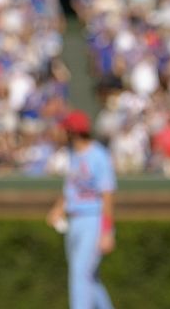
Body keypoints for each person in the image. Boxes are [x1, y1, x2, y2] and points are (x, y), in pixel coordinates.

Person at [47, 109, 116, 309]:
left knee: (80, 274)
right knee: (89, 279)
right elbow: (70, 188)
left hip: (92, 219)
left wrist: (106, 231)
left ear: (73, 132)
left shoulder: (98, 156)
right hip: (75, 220)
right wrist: (58, 208)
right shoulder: (72, 155)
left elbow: (107, 196)